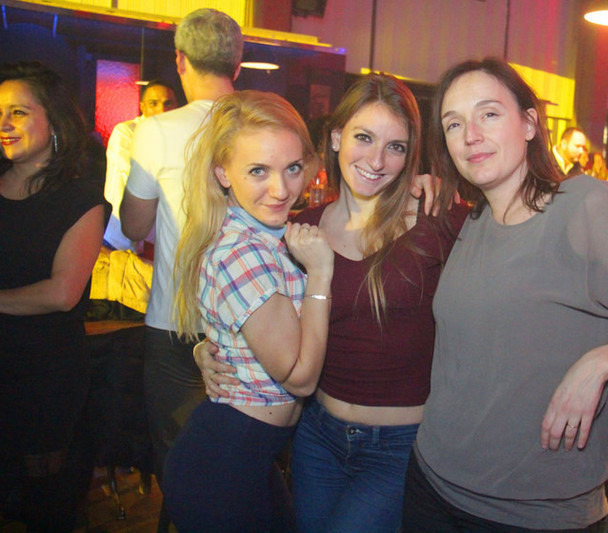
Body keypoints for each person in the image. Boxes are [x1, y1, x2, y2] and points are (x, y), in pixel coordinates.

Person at [402, 57, 608, 532]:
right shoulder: (474, 220)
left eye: (489, 114)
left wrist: (600, 363)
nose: (471, 135)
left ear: (529, 124)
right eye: (454, 124)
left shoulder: (585, 204)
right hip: (431, 481)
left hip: (532, 510)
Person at [196, 73, 466, 533]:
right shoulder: (299, 228)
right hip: (317, 436)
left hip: (400, 445)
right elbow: (258, 308)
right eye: (364, 138)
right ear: (337, 138)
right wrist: (208, 348)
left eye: (396, 147)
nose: (377, 161)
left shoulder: (437, 216)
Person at [161, 90, 332, 531]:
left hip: (248, 458)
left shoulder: (267, 236)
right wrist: (320, 275)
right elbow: (300, 377)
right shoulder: (242, 252)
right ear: (223, 173)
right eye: (258, 171)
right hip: (221, 466)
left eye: (292, 168)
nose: (281, 189)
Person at [118, 8, 242, 531]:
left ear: (181, 61)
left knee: (177, 451)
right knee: (239, 453)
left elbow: (133, 225)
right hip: (247, 318)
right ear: (238, 63)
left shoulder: (155, 131)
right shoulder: (262, 122)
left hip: (175, 319)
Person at [0, 61, 105, 532]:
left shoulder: (79, 198)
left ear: (55, 120)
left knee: (43, 500)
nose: (4, 123)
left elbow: (63, 293)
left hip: (44, 369)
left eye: (18, 112)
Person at [103, 79, 177, 252]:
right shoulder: (126, 132)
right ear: (142, 107)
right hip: (118, 238)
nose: (162, 110)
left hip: (154, 241)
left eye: (168, 103)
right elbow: (133, 176)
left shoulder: (178, 137)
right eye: (153, 104)